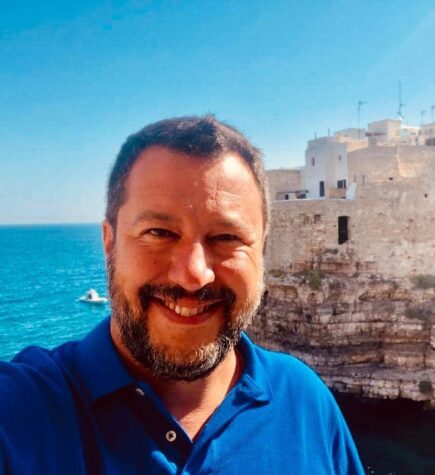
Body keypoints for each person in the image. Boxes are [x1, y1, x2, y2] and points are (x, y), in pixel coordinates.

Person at [0, 116, 364, 474]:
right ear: (109, 243)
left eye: (226, 238)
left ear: (262, 252)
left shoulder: (304, 401)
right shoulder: (21, 410)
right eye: (159, 232)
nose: (193, 275)